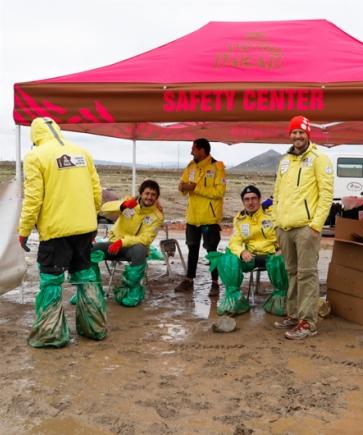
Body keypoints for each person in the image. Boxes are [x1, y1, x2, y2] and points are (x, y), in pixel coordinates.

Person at [18, 117, 104, 348]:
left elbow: (33, 199)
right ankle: (94, 327)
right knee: (85, 276)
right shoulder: (82, 153)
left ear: (34, 136)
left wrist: (24, 230)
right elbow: (97, 192)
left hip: (56, 231)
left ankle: (51, 334)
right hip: (85, 228)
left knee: (51, 281)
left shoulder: (35, 157)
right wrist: (91, 221)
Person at [272, 115, 334, 340]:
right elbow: (277, 192)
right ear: (290, 135)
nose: (297, 136)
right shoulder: (285, 160)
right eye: (294, 132)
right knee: (292, 273)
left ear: (308, 134)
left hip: (306, 228)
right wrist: (277, 221)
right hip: (285, 227)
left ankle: (308, 323)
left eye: (301, 132)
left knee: (307, 275)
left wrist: (315, 225)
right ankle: (294, 314)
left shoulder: (319, 158)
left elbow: (326, 195)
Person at [208, 185, 288, 316]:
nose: (250, 202)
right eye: (247, 199)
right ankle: (235, 301)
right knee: (227, 259)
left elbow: (284, 233)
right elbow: (234, 242)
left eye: (254, 198)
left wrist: (282, 249)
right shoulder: (240, 219)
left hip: (272, 255)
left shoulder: (272, 214)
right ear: (243, 202)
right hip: (251, 257)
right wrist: (241, 252)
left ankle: (281, 300)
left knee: (281, 260)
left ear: (259, 199)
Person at [90, 179, 164, 307]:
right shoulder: (129, 202)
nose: (149, 197)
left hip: (132, 249)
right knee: (91, 249)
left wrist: (122, 242)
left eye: (153, 195)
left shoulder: (157, 216)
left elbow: (146, 238)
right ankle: (91, 290)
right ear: (141, 193)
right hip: (113, 244)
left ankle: (133, 291)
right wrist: (122, 205)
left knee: (141, 249)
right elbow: (104, 209)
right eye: (147, 193)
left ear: (157, 197)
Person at [175, 138, 226, 295]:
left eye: (194, 149)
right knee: (192, 249)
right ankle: (189, 280)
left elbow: (219, 192)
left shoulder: (217, 167)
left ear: (202, 150)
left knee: (212, 252)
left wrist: (196, 188)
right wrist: (183, 187)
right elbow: (182, 187)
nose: (191, 152)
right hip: (192, 218)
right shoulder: (191, 167)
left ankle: (215, 283)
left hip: (209, 219)